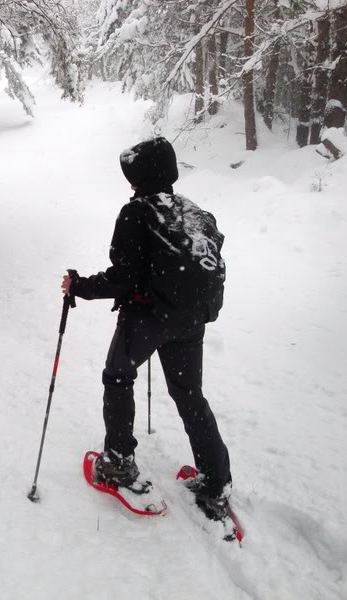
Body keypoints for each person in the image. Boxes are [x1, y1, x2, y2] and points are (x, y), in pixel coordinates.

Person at [62, 137, 232, 521]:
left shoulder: (136, 212)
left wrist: (80, 285)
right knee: (189, 395)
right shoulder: (196, 213)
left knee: (118, 376)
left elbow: (122, 279)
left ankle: (118, 464)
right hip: (191, 319)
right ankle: (216, 483)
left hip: (149, 317)